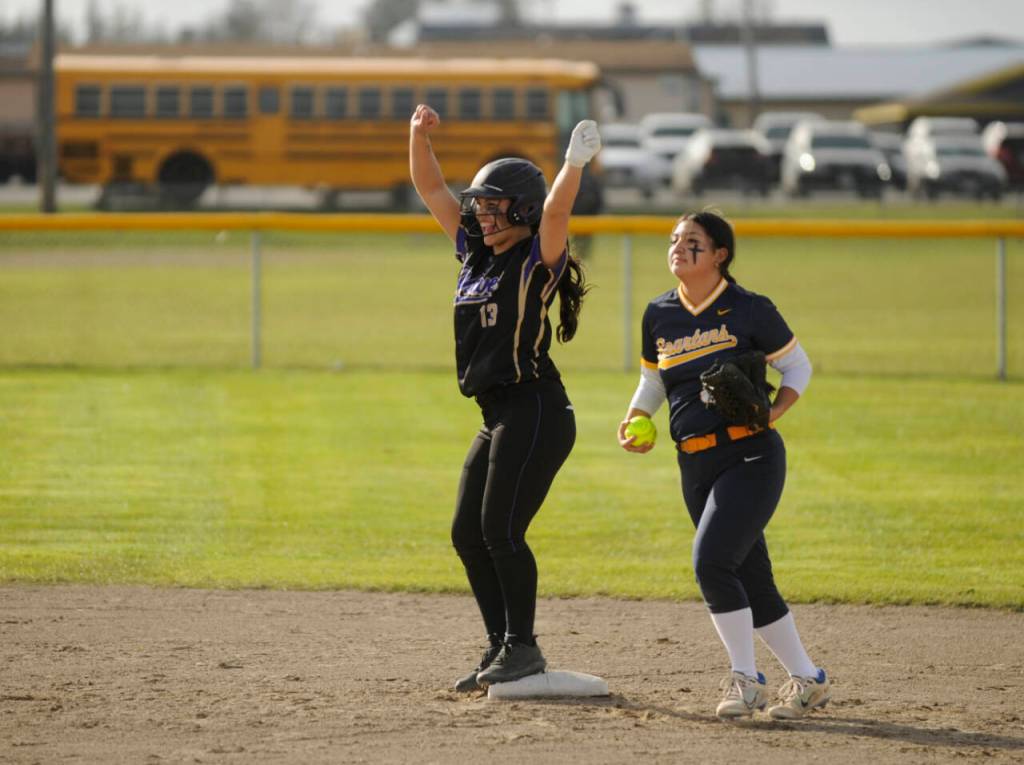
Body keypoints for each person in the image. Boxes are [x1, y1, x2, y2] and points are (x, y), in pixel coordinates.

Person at [409, 104, 601, 691]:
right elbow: (431, 187)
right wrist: (417, 136)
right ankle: (501, 647)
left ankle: (523, 647)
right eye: (480, 206)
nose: (481, 215)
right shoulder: (474, 255)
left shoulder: (534, 259)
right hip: (498, 413)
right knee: (468, 534)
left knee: (501, 530)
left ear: (520, 209)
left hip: (536, 407)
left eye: (492, 206)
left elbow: (560, 209)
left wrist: (572, 163)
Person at [617, 210, 830, 720]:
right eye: (673, 239)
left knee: (711, 561)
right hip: (693, 463)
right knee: (750, 576)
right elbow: (656, 378)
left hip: (750, 454)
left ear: (719, 255)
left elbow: (798, 366)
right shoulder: (659, 314)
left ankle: (747, 679)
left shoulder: (749, 309)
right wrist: (636, 415)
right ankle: (809, 679)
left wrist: (774, 413)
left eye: (692, 241)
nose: (678, 247)